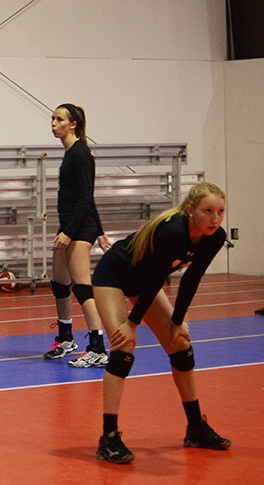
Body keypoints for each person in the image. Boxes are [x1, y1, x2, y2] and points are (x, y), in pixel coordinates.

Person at [92, 182, 231, 464]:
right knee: (123, 346)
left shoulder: (215, 237)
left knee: (180, 344)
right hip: (114, 274)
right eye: (208, 211)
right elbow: (157, 279)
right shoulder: (174, 231)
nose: (215, 219)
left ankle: (196, 428)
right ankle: (108, 438)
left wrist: (177, 323)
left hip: (144, 281)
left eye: (220, 212)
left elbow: (191, 279)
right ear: (190, 210)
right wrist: (131, 325)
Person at [44, 104, 113, 367]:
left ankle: (98, 347)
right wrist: (101, 232)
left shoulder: (81, 153)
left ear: (73, 124)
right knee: (60, 284)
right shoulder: (70, 153)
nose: (53, 123)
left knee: (82, 286)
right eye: (52, 118)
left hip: (78, 228)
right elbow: (87, 197)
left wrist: (70, 233)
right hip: (70, 225)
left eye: (59, 119)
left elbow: (86, 197)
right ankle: (66, 339)